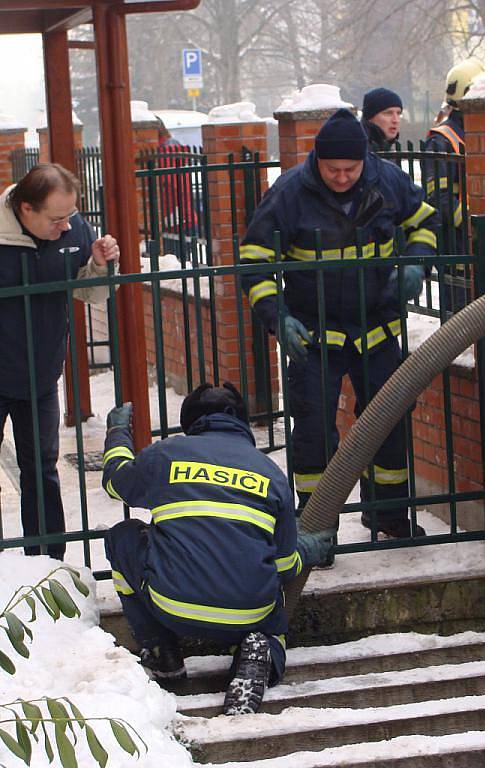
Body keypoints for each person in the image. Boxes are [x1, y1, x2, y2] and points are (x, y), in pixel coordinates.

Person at [240, 108, 439, 538]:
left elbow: (425, 221)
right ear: (318, 160)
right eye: (334, 169)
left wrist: (417, 264)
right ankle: (315, 527)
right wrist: (279, 318)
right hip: (313, 335)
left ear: (365, 159)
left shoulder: (387, 179)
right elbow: (254, 262)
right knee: (313, 428)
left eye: (351, 168)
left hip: (379, 326)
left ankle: (387, 513)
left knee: (389, 420)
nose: (344, 177)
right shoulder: (289, 192)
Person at [102, 383, 334, 715]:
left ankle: (160, 649)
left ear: (190, 422)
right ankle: (263, 653)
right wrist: (306, 551)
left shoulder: (165, 455)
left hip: (172, 604)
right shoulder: (270, 473)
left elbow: (114, 480)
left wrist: (117, 433)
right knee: (273, 614)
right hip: (249, 613)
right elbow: (284, 568)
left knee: (122, 536)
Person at [0, 163, 120, 559]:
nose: (66, 227)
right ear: (25, 209)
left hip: (41, 371)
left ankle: (49, 563)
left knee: (42, 471)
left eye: (70, 216)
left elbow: (89, 292)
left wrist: (101, 266)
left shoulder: (73, 228)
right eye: (56, 219)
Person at [423, 59, 485, 311]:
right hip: (457, 239)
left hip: (479, 236)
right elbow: (439, 196)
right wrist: (468, 224)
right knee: (460, 316)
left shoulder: (479, 130)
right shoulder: (442, 139)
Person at [361, 87, 403, 153]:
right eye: (388, 113)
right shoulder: (360, 152)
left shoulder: (390, 151)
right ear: (370, 117)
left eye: (398, 113)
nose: (396, 120)